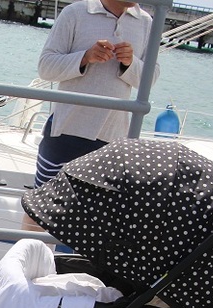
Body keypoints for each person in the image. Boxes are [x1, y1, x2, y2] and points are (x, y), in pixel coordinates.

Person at [33, 0, 159, 189]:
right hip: (65, 131)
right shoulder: (75, 12)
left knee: (98, 208)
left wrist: (130, 63)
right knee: (44, 204)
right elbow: (46, 68)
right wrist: (86, 57)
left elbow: (150, 79)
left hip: (113, 140)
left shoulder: (146, 22)